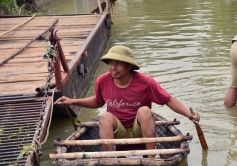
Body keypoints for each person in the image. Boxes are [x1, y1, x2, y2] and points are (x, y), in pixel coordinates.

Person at [55, 45, 200, 157]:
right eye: (110, 63)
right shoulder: (102, 81)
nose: (113, 68)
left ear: (129, 66)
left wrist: (189, 114)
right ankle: (108, 159)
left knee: (144, 111)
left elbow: (168, 100)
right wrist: (72, 101)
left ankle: (151, 157)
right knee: (105, 116)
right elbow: (98, 102)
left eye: (118, 64)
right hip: (118, 130)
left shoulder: (146, 82)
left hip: (139, 129)